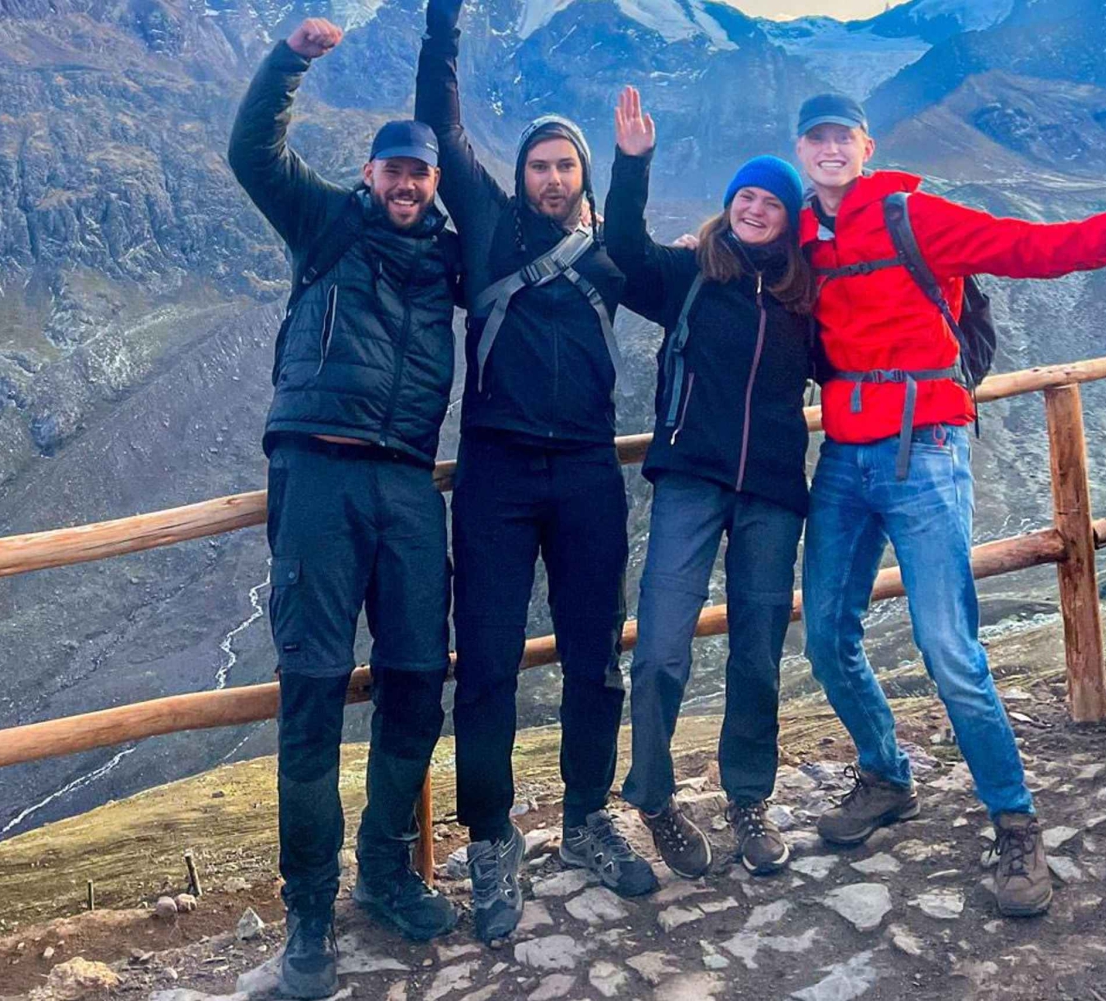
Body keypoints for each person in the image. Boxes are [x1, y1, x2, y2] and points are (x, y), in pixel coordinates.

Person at [792, 92, 1106, 918]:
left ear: (865, 147)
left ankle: (1015, 821)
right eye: (817, 138)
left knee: (949, 647)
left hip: (927, 449)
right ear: (801, 151)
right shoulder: (804, 236)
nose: (831, 149)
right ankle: (886, 773)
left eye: (843, 136)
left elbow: (1032, 248)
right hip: (843, 455)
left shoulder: (913, 213)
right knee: (825, 639)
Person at [227, 18, 465, 997]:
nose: (405, 184)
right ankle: (309, 918)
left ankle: (385, 873)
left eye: (420, 173)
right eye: (392, 170)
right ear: (370, 174)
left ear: (435, 182)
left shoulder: (453, 255)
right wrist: (288, 61)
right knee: (315, 691)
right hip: (319, 472)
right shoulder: (325, 222)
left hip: (408, 479)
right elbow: (251, 153)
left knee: (415, 678)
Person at [415, 0, 658, 943]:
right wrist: (445, 18)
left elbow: (639, 250)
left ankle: (589, 816)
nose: (552, 178)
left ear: (582, 177)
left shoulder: (605, 248)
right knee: (485, 666)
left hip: (590, 473)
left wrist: (632, 166)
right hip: (497, 479)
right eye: (540, 165)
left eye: (567, 166)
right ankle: (490, 840)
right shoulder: (485, 225)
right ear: (518, 175)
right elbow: (443, 122)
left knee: (597, 655)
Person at [604, 86, 814, 881]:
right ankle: (654, 798)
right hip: (690, 480)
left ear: (790, 219)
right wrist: (632, 163)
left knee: (757, 654)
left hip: (770, 495)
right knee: (659, 651)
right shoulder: (689, 272)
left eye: (772, 200)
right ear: (730, 207)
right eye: (746, 197)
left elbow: (860, 344)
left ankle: (747, 799)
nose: (757, 208)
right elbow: (621, 247)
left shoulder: (804, 299)